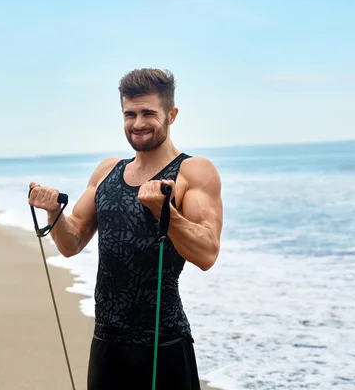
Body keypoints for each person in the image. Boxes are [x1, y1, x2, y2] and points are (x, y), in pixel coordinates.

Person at [28, 68, 223, 389]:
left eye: (149, 113)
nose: (138, 123)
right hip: (107, 338)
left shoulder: (192, 171)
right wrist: (54, 213)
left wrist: (166, 213)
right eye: (129, 114)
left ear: (171, 115)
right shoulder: (107, 171)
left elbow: (207, 253)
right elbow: (70, 242)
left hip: (164, 341)